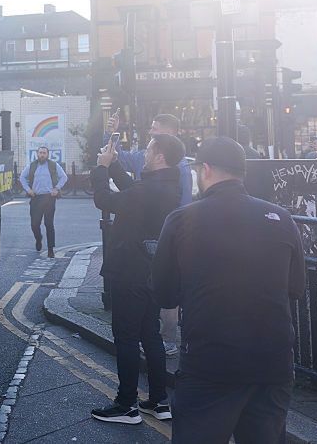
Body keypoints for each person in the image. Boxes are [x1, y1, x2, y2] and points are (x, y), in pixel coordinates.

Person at [152, 137, 305, 443]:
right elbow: (296, 288)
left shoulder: (182, 219)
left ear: (204, 169)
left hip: (211, 362)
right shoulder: (282, 219)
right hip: (273, 362)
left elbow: (164, 293)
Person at [89, 133, 184, 425]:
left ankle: (126, 404)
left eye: (149, 149)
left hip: (130, 270)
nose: (144, 153)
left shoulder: (148, 190)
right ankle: (158, 401)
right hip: (152, 271)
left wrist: (102, 168)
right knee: (150, 335)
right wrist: (116, 165)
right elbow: (133, 190)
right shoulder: (168, 185)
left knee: (127, 337)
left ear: (159, 157)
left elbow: (105, 199)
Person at [106, 111, 193, 206]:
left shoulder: (182, 167)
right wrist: (111, 133)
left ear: (168, 133)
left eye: (154, 129)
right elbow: (120, 158)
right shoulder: (143, 155)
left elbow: (185, 204)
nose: (150, 132)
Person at [18, 146, 67, 258]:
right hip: (36, 198)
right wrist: (28, 190)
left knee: (49, 224)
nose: (42, 155)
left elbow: (64, 177)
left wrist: (57, 188)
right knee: (34, 224)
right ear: (37, 154)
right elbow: (22, 178)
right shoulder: (32, 166)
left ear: (47, 154)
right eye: (40, 153)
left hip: (49, 198)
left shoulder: (53, 165)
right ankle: (38, 238)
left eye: (44, 153)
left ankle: (50, 250)